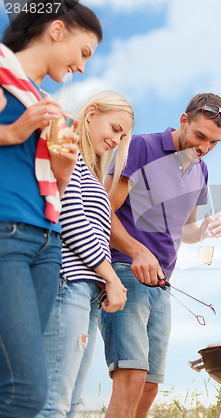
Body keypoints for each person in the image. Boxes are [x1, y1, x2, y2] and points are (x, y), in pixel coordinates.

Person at [99, 93, 221, 418]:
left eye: (213, 142)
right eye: (200, 136)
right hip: (124, 271)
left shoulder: (201, 171)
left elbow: (184, 231)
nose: (203, 148)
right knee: (131, 374)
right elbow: (103, 208)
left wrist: (202, 232)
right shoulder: (142, 147)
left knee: (150, 384)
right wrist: (136, 250)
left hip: (161, 284)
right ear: (183, 121)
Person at [0, 1, 102, 416]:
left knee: (20, 384)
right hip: (7, 236)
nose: (82, 66)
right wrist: (14, 130)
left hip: (47, 243)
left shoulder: (46, 101)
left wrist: (62, 167)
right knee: (26, 391)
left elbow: (53, 187)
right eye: (83, 53)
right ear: (57, 31)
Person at [38, 91, 133, 417]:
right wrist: (111, 277)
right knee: (55, 398)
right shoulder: (71, 158)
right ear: (91, 113)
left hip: (87, 292)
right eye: (115, 128)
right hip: (69, 284)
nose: (117, 140)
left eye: (123, 136)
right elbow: (72, 221)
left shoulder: (90, 172)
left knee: (72, 401)